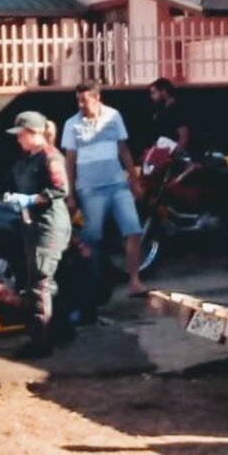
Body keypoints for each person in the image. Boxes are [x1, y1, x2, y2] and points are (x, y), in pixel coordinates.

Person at [0, 111, 72, 357]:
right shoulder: (25, 160)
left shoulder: (49, 157)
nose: (18, 140)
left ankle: (41, 343)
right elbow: (7, 183)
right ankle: (55, 333)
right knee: (38, 282)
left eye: (22, 135)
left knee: (40, 284)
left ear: (35, 133)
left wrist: (30, 199)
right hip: (32, 227)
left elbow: (59, 190)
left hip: (48, 227)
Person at [61, 81, 148, 298]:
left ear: (97, 97)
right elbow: (69, 162)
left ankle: (135, 280)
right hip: (90, 189)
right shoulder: (72, 124)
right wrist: (70, 193)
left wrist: (134, 182)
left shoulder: (113, 116)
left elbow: (124, 151)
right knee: (93, 236)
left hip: (117, 184)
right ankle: (94, 284)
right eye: (78, 100)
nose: (81, 104)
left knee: (134, 230)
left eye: (86, 99)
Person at [149, 77, 189, 153]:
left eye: (154, 93)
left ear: (163, 91)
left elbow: (183, 136)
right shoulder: (160, 110)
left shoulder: (176, 109)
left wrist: (176, 155)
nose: (152, 97)